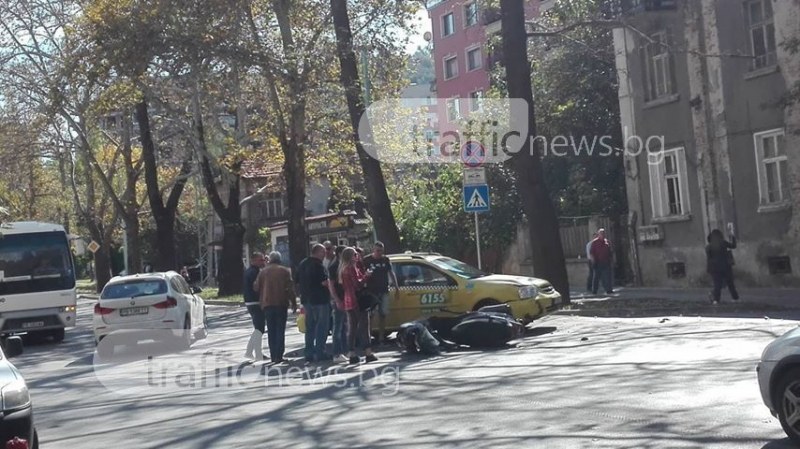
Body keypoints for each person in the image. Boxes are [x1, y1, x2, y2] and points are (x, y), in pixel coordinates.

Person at [254, 251, 297, 363]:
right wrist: (293, 302)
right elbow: (290, 288)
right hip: (281, 303)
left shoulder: (263, 272)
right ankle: (279, 355)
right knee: (280, 330)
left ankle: (273, 355)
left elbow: (256, 287)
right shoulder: (285, 271)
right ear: (279, 259)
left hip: (267, 303)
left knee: (271, 330)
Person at [339, 247, 378, 364]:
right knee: (364, 325)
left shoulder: (343, 269)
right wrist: (367, 276)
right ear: (351, 256)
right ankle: (368, 352)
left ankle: (351, 353)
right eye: (355, 255)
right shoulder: (351, 268)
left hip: (348, 299)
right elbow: (358, 284)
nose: (358, 257)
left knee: (352, 327)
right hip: (357, 299)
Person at [296, 243, 332, 363]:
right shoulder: (318, 265)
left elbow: (296, 280)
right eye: (323, 252)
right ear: (318, 252)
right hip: (320, 300)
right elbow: (324, 282)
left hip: (306, 300)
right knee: (322, 326)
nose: (325, 254)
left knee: (310, 327)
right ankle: (320, 352)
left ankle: (309, 353)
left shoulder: (302, 264)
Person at [362, 241, 398, 345]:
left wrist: (396, 287)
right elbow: (361, 274)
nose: (379, 253)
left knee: (383, 314)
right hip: (371, 291)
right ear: (373, 250)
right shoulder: (367, 260)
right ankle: (367, 338)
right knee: (370, 316)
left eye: (381, 251)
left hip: (384, 290)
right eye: (377, 251)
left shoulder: (385, 259)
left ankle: (381, 338)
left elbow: (391, 273)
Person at [327, 245, 349, 363]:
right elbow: (331, 285)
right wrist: (337, 300)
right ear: (340, 254)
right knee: (338, 327)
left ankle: (344, 351)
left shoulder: (342, 266)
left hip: (344, 298)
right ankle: (336, 353)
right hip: (338, 300)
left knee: (344, 326)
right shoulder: (334, 267)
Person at [243, 253, 266, 360]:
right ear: (253, 261)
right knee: (259, 328)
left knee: (259, 328)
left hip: (250, 301)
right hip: (255, 302)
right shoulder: (254, 272)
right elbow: (257, 287)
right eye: (260, 260)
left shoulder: (249, 271)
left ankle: (252, 352)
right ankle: (256, 353)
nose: (263, 262)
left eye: (263, 260)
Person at [706, 229, 739, 304]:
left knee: (717, 284)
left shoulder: (708, 247)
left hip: (714, 268)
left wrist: (709, 269)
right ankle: (735, 298)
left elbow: (709, 259)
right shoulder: (723, 243)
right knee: (730, 283)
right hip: (725, 267)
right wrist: (732, 236)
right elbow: (733, 246)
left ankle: (716, 300)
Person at [589, 228, 614, 295]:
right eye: (601, 233)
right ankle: (594, 290)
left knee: (607, 276)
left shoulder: (607, 242)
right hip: (598, 262)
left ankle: (609, 290)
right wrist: (593, 261)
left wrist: (611, 260)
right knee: (596, 277)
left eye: (603, 233)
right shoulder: (595, 242)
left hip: (606, 262)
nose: (603, 235)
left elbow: (610, 252)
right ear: (598, 234)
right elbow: (591, 253)